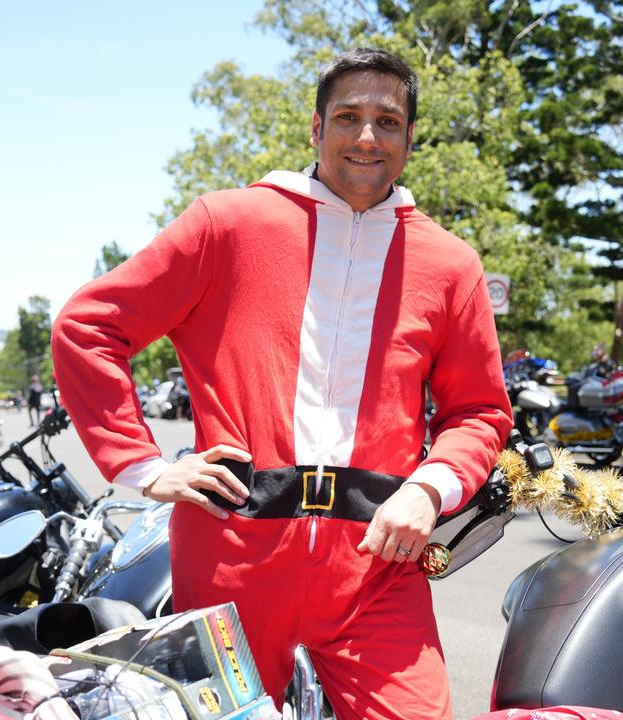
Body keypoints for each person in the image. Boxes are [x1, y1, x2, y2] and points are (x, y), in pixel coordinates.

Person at [52, 48, 512, 720]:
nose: (366, 136)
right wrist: (144, 468)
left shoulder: (450, 264)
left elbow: (478, 412)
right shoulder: (228, 223)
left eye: (387, 120)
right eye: (348, 116)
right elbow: (88, 326)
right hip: (233, 554)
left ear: (411, 139)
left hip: (378, 567)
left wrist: (429, 489)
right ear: (315, 130)